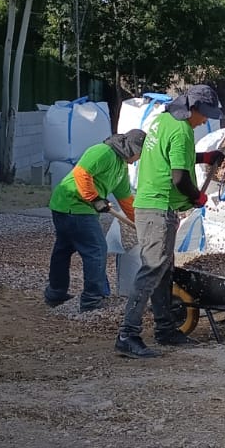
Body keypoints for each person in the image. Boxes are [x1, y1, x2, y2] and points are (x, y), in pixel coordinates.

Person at [115, 85, 225, 359]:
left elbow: (171, 158)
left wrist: (204, 158)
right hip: (158, 207)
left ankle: (165, 329)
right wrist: (198, 198)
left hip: (151, 205)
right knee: (152, 270)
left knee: (164, 271)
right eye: (204, 116)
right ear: (193, 109)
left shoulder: (163, 120)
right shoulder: (182, 131)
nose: (204, 121)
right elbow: (179, 178)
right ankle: (127, 335)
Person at [45, 130, 145, 312]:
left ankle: (55, 293)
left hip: (69, 206)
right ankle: (92, 300)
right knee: (96, 250)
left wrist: (140, 224)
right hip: (72, 203)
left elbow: (125, 199)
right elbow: (82, 173)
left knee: (63, 249)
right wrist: (95, 199)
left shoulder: (121, 167)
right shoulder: (103, 151)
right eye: (140, 154)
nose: (139, 159)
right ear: (133, 148)